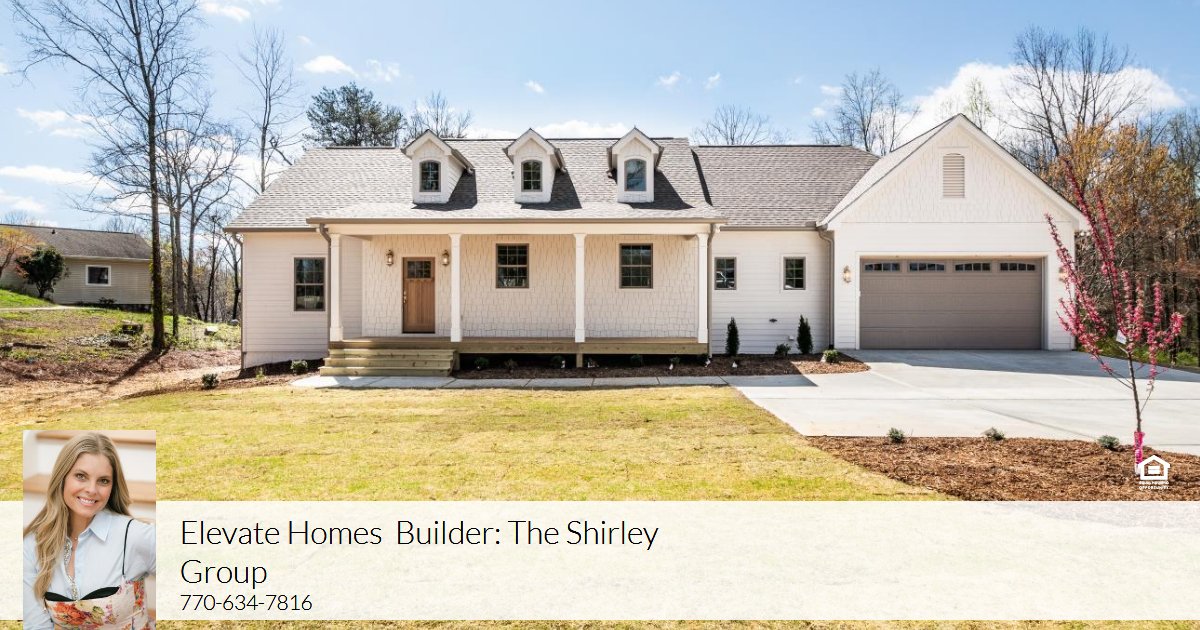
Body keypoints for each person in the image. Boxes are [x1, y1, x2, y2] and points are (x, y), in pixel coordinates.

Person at [22, 432, 155, 629]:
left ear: (112, 487)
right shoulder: (33, 545)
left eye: (103, 481)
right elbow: (36, 625)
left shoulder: (134, 536)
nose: (92, 489)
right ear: (62, 477)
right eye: (81, 476)